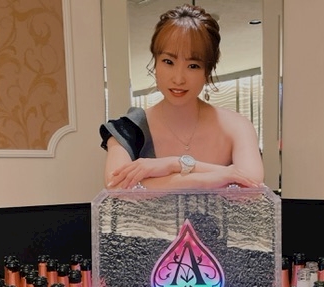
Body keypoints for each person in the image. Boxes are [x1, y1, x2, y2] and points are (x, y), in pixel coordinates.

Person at [100, 4, 264, 190]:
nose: (178, 79)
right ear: (155, 63)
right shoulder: (128, 129)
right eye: (168, 62)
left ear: (207, 71)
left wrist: (174, 164)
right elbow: (116, 187)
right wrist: (211, 178)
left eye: (193, 66)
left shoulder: (237, 126)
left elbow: (252, 184)